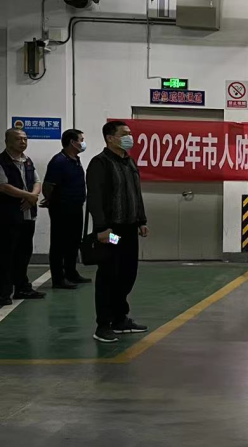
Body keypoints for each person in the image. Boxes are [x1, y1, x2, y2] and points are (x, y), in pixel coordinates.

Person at [86, 121, 149, 343]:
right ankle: (103, 325)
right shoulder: (100, 163)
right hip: (112, 231)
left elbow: (136, 193)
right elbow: (94, 198)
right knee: (109, 274)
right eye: (124, 134)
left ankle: (120, 319)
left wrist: (141, 220)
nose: (129, 137)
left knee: (127, 273)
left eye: (129, 133)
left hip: (129, 228)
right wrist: (102, 228)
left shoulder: (129, 162)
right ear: (110, 138)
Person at [0, 128, 45, 305]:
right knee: (6, 255)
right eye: (19, 139)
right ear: (7, 141)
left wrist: (32, 196)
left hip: (28, 216)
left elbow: (37, 181)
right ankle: (3, 293)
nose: (23, 142)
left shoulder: (27, 161)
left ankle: (22, 287)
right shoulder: (2, 161)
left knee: (24, 253)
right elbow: (3, 186)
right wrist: (28, 196)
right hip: (8, 216)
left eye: (25, 139)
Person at [43, 128, 91, 289]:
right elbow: (48, 185)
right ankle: (58, 279)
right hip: (61, 208)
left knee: (74, 241)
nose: (83, 143)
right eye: (81, 140)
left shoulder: (75, 159)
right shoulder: (58, 161)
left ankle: (71, 272)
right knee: (59, 244)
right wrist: (51, 200)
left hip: (76, 207)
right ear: (72, 142)